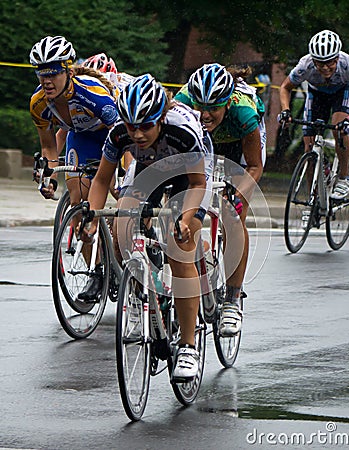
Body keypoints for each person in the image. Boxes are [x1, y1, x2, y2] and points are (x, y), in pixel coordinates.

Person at [82, 74, 213, 379]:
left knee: (181, 244)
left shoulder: (183, 132)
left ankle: (189, 346)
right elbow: (102, 180)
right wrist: (91, 214)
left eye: (145, 126)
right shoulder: (119, 134)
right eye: (131, 127)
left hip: (187, 174)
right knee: (120, 228)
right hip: (146, 168)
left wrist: (184, 217)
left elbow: (197, 183)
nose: (137, 134)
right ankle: (145, 295)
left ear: (160, 118)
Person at [175, 63, 266, 337]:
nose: (204, 114)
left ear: (227, 103)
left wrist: (236, 194)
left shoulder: (243, 113)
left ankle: (233, 299)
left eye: (213, 108)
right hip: (200, 144)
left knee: (233, 217)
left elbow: (254, 166)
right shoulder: (181, 104)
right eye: (199, 106)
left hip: (238, 149)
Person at [29, 36, 119, 301]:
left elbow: (122, 137)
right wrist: (49, 177)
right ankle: (99, 273)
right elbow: (48, 148)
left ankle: (134, 247)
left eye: (53, 72)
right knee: (80, 207)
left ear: (68, 71)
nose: (46, 79)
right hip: (81, 137)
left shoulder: (92, 94)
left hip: (113, 137)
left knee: (121, 193)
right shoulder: (38, 104)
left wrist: (120, 177)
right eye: (41, 72)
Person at [278, 29, 349, 200]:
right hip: (317, 94)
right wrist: (285, 111)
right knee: (308, 147)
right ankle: (313, 197)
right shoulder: (305, 65)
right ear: (313, 60)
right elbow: (285, 87)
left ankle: (344, 177)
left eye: (330, 63)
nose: (325, 68)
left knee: (338, 128)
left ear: (337, 58)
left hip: (342, 93)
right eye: (320, 64)